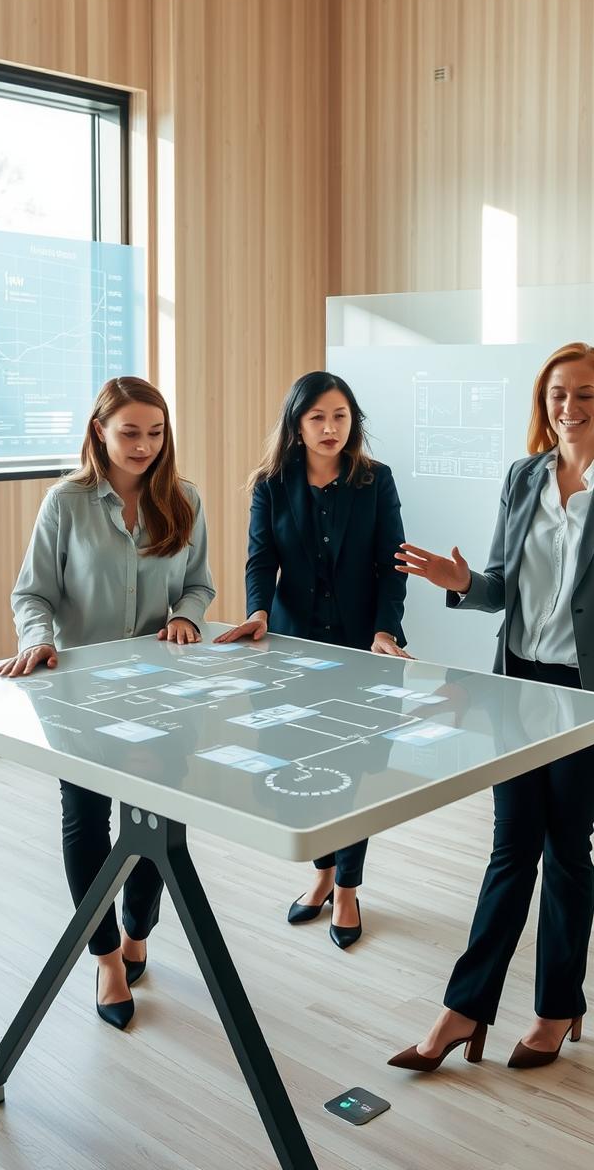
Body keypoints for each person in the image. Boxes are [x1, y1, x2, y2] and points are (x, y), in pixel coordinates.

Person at [388, 341, 594, 1072]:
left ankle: (557, 1007)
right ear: (543, 402)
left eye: (584, 394)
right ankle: (464, 1010)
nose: (569, 407)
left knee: (565, 845)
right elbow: (499, 586)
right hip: (520, 684)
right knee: (510, 845)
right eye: (557, 394)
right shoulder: (523, 476)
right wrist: (461, 581)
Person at [0, 376, 215, 1031]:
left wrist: (187, 617)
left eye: (155, 432)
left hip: (162, 693)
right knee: (86, 824)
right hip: (81, 695)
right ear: (99, 430)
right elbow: (31, 594)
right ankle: (108, 957)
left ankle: (140, 927)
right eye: (129, 432)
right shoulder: (64, 503)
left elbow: (199, 583)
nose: (144, 445)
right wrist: (36, 637)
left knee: (155, 828)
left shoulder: (185, 500)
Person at [214, 371, 410, 948]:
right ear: (296, 426)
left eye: (341, 417)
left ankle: (348, 887)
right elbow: (260, 560)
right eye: (317, 418)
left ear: (354, 422)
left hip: (360, 646)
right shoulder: (271, 484)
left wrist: (383, 629)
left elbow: (390, 566)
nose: (330, 428)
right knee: (302, 765)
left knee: (357, 768)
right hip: (292, 648)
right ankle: (322, 874)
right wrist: (256, 613)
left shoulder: (376, 481)